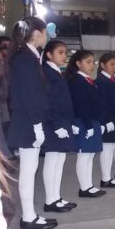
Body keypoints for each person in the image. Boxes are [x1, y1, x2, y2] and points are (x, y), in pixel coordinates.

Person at [7, 17, 58, 229]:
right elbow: (29, 96)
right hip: (28, 121)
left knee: (30, 169)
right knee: (28, 171)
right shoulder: (25, 59)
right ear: (36, 33)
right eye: (44, 32)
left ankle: (30, 215)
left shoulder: (28, 57)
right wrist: (37, 124)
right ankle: (28, 217)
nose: (46, 37)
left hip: (29, 120)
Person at [41, 40, 78, 213]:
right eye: (60, 52)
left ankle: (56, 197)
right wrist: (56, 125)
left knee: (59, 161)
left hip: (63, 122)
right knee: (52, 160)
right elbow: (47, 101)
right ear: (49, 54)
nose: (64, 55)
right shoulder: (47, 72)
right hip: (54, 123)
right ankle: (50, 200)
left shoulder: (56, 72)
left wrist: (69, 123)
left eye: (65, 52)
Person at [66, 50, 106, 199]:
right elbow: (80, 105)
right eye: (88, 62)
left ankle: (89, 185)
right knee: (83, 156)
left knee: (90, 156)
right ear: (78, 63)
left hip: (92, 121)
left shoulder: (89, 80)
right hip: (83, 122)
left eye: (93, 62)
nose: (92, 65)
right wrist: (88, 125)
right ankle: (84, 188)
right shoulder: (76, 80)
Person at [96, 53, 115, 189]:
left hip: (114, 119)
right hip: (108, 120)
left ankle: (108, 177)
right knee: (106, 150)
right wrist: (106, 120)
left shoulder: (111, 80)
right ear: (102, 65)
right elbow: (102, 103)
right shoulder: (101, 81)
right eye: (111, 64)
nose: (114, 68)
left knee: (111, 148)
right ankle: (105, 178)